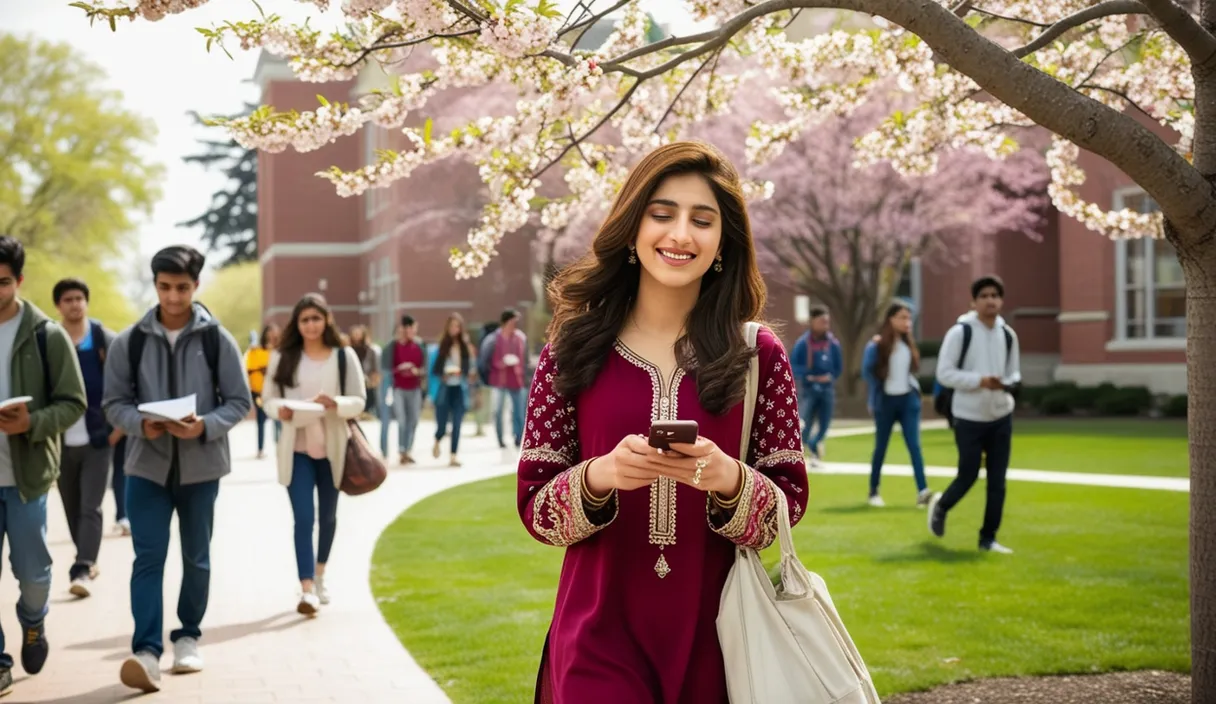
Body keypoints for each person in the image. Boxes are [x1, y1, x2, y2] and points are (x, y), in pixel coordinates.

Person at [517, 142, 808, 703]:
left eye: (702, 220)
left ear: (723, 243)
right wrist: (602, 475)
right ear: (632, 228)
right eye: (662, 214)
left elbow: (785, 512)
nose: (681, 234)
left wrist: (727, 477)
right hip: (596, 635)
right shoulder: (572, 349)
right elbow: (535, 510)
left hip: (720, 641)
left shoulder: (757, 354)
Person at [102, 245, 252, 693]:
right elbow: (113, 403)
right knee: (148, 559)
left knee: (196, 558)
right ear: (155, 286)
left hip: (201, 468)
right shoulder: (130, 341)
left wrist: (205, 426)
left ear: (196, 286)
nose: (173, 297)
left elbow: (240, 402)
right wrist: (138, 425)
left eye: (182, 288)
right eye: (165, 288)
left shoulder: (216, 339)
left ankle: (188, 636)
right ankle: (146, 651)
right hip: (145, 468)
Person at [0, 237, 86, 697]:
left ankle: (33, 623)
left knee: (32, 575)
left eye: (3, 282)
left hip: (27, 478)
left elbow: (75, 403)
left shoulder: (44, 334)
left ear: (20, 281)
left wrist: (32, 421)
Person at [259, 294, 366, 613]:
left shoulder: (343, 356)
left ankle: (320, 575)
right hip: (296, 448)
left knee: (329, 517)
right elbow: (268, 400)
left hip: (333, 448)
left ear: (327, 319)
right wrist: (283, 411)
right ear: (297, 323)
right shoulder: (283, 356)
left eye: (316, 318)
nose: (311, 325)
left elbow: (360, 399)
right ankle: (306, 588)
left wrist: (337, 403)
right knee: (304, 517)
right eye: (304, 320)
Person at [929, 275, 1022, 554]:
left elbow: (1015, 371)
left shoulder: (1008, 335)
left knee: (997, 481)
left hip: (1001, 415)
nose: (990, 300)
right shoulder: (960, 332)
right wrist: (979, 380)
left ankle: (988, 539)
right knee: (968, 474)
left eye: (995, 295)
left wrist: (1006, 383)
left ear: (1001, 300)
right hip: (968, 416)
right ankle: (942, 506)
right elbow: (944, 374)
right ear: (974, 301)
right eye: (984, 296)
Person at [52, 277, 120, 598]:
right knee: (71, 506)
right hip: (59, 442)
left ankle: (82, 566)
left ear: (87, 302)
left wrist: (116, 431)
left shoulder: (102, 339)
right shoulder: (49, 340)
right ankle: (87, 560)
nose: (75, 304)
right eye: (68, 299)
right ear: (58, 306)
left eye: (80, 298)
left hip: (97, 440)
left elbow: (122, 386)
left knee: (91, 505)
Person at [861, 302, 930, 508]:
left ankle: (923, 491)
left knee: (914, 446)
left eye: (909, 318)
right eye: (902, 317)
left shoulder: (908, 344)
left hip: (908, 400)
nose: (907, 322)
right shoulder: (877, 345)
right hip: (886, 402)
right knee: (881, 448)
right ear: (890, 319)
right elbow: (867, 372)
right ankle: (873, 491)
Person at [789, 306, 842, 464]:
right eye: (821, 321)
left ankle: (814, 443)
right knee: (804, 422)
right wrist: (809, 375)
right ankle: (800, 454)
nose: (825, 325)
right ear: (812, 322)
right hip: (809, 389)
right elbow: (793, 366)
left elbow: (838, 367)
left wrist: (830, 377)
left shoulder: (833, 344)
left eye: (827, 322)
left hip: (827, 389)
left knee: (825, 423)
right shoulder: (802, 344)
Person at [428, 313, 475, 467]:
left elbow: (468, 368)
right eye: (452, 326)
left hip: (459, 388)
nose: (454, 329)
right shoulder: (442, 346)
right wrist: (444, 374)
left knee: (457, 423)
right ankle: (437, 439)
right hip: (445, 388)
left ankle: (453, 456)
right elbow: (435, 370)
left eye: (457, 326)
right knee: (442, 424)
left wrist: (463, 372)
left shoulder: (464, 346)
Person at [479, 308, 528, 451]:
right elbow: (484, 360)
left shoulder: (521, 338)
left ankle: (518, 438)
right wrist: (490, 374)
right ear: (505, 322)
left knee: (518, 411)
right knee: (498, 411)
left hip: (516, 379)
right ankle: (500, 439)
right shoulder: (492, 340)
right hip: (498, 380)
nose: (515, 325)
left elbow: (524, 359)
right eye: (513, 322)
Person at [385, 316, 425, 464]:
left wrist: (417, 371)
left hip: (415, 388)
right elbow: (388, 368)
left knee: (413, 420)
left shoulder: (419, 346)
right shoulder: (394, 347)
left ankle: (408, 450)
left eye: (412, 328)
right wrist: (398, 369)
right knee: (402, 420)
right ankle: (401, 450)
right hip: (399, 388)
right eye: (407, 328)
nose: (410, 331)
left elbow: (424, 368)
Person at [246, 323, 281, 459]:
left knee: (279, 420)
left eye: (275, 332)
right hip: (259, 391)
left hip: (276, 392)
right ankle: (260, 449)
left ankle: (280, 446)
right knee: (260, 420)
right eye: (270, 332)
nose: (273, 335)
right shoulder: (256, 351)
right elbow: (249, 368)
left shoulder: (279, 352)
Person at [348, 325, 380, 419]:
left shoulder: (370, 350)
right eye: (355, 333)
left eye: (359, 333)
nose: (357, 335)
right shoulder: (348, 350)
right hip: (351, 381)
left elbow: (374, 368)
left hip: (366, 382)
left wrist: (374, 381)